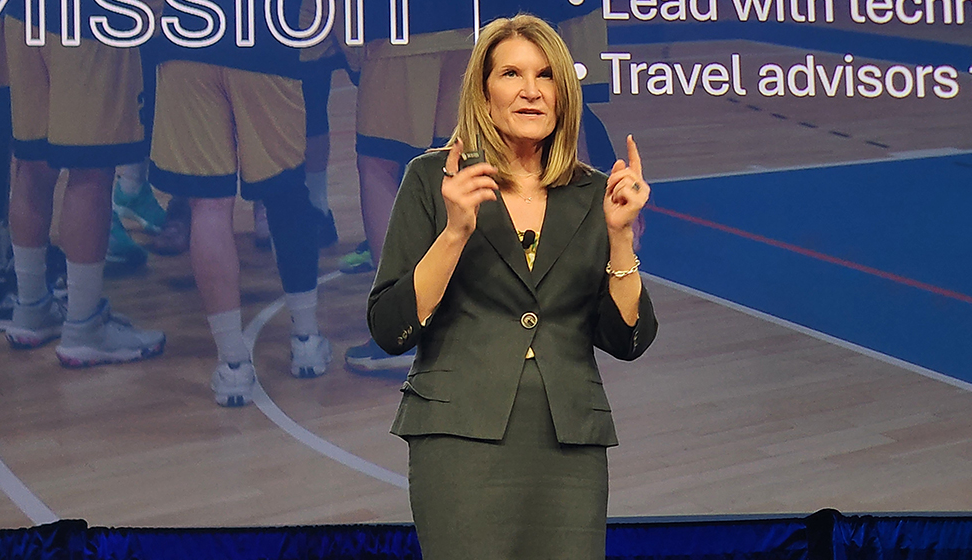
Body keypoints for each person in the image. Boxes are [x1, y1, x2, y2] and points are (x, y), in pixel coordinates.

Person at [366, 15, 658, 559]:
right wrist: (455, 232)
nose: (531, 90)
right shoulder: (434, 180)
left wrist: (620, 237)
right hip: (458, 436)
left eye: (546, 76)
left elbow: (627, 340)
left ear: (563, 93)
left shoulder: (595, 192)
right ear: (483, 92)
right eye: (511, 74)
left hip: (569, 443)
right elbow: (389, 327)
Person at [148, 0, 330, 406]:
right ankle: (306, 340)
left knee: (208, 205)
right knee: (286, 194)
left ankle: (232, 364)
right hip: (267, 35)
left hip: (186, 40)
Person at [2, 5, 166, 365]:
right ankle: (84, 325)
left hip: (22, 16)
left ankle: (31, 308)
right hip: (91, 21)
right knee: (92, 172)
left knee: (31, 165)